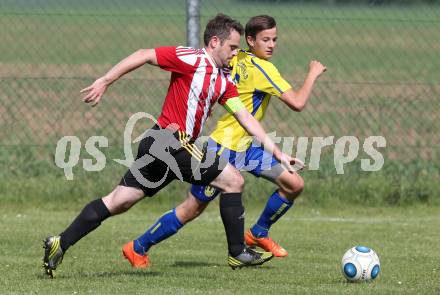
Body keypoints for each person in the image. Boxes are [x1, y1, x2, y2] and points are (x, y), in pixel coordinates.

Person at [42, 13, 299, 277]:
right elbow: (144, 54)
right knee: (233, 180)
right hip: (171, 141)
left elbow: (245, 118)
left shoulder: (223, 82)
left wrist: (277, 152)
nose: (236, 53)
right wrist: (106, 80)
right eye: (232, 47)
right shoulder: (192, 59)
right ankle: (237, 252)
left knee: (119, 201)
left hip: (159, 144)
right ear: (214, 42)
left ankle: (60, 242)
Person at [125, 15, 326, 266]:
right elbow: (297, 102)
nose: (272, 45)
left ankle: (258, 233)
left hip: (248, 147)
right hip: (223, 147)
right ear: (249, 40)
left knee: (294, 183)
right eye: (265, 39)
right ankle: (138, 246)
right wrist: (313, 73)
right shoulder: (263, 67)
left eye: (275, 39)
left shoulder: (234, 56)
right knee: (192, 208)